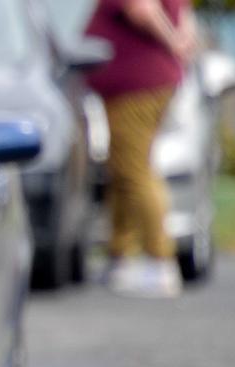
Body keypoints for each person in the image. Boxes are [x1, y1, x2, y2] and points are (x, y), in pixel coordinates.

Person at [85, 0, 197, 298]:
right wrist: (181, 42)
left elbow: (141, 8)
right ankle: (120, 255)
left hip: (138, 85)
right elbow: (183, 15)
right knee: (123, 168)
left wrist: (172, 42)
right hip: (140, 83)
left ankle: (160, 259)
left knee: (135, 171)